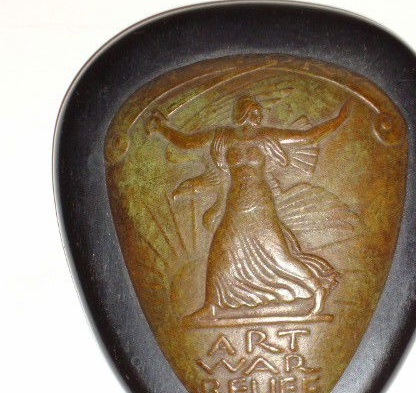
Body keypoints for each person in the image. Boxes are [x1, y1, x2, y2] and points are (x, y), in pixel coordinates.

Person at [148, 95, 350, 322]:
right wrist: (161, 128)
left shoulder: (266, 136)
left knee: (278, 255)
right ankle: (211, 306)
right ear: (240, 113)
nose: (255, 116)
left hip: (259, 203)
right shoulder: (222, 136)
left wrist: (338, 120)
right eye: (251, 111)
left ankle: (317, 290)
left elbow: (307, 136)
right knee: (221, 251)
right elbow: (186, 142)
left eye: (257, 112)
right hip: (235, 203)